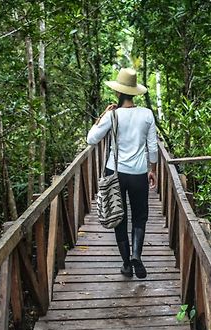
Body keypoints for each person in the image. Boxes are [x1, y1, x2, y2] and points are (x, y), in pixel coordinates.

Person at [87, 68, 158, 279]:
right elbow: (152, 147)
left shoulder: (113, 115)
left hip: (115, 172)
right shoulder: (146, 114)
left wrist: (104, 114)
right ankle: (137, 254)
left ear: (118, 93)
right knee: (140, 216)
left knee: (119, 217)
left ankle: (126, 265)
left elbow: (91, 139)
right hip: (138, 174)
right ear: (134, 93)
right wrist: (151, 170)